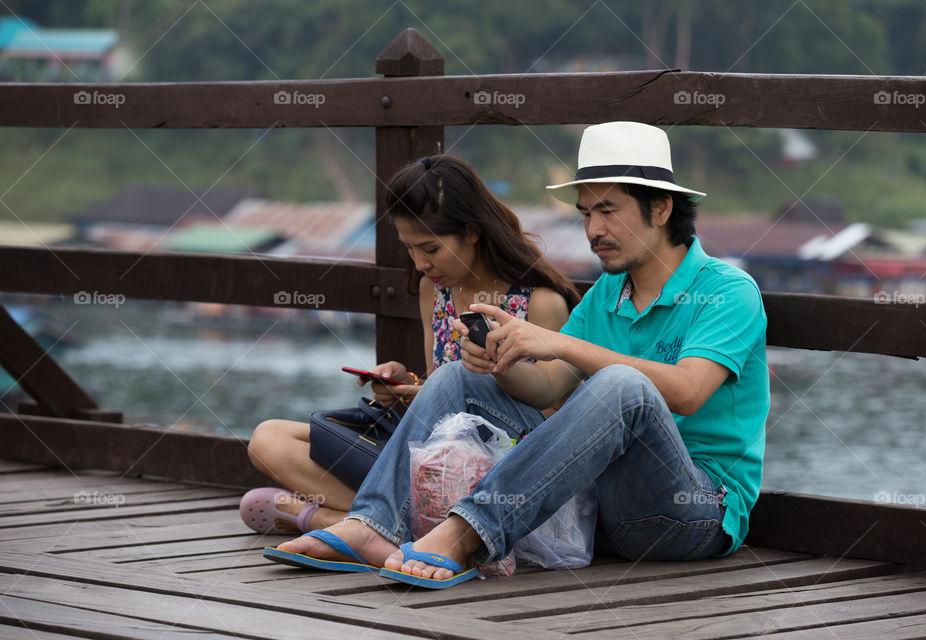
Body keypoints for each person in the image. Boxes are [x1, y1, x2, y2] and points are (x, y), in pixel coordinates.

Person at [268, 121, 769, 589]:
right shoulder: (606, 296)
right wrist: (500, 362)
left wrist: (556, 341)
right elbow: (547, 387)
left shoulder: (727, 291)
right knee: (455, 378)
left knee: (622, 386)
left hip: (691, 515)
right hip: (600, 511)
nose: (593, 229)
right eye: (586, 212)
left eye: (608, 210)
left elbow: (686, 392)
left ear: (661, 208)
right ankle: (370, 523)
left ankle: (465, 534)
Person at [241, 154, 580, 535]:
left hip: (490, 467)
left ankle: (336, 520)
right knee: (268, 437)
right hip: (423, 451)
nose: (419, 262)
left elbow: (555, 421)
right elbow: (440, 390)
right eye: (410, 248)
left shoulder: (540, 302)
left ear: (472, 231)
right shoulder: (433, 291)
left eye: (431, 249)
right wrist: (404, 388)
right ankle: (385, 522)